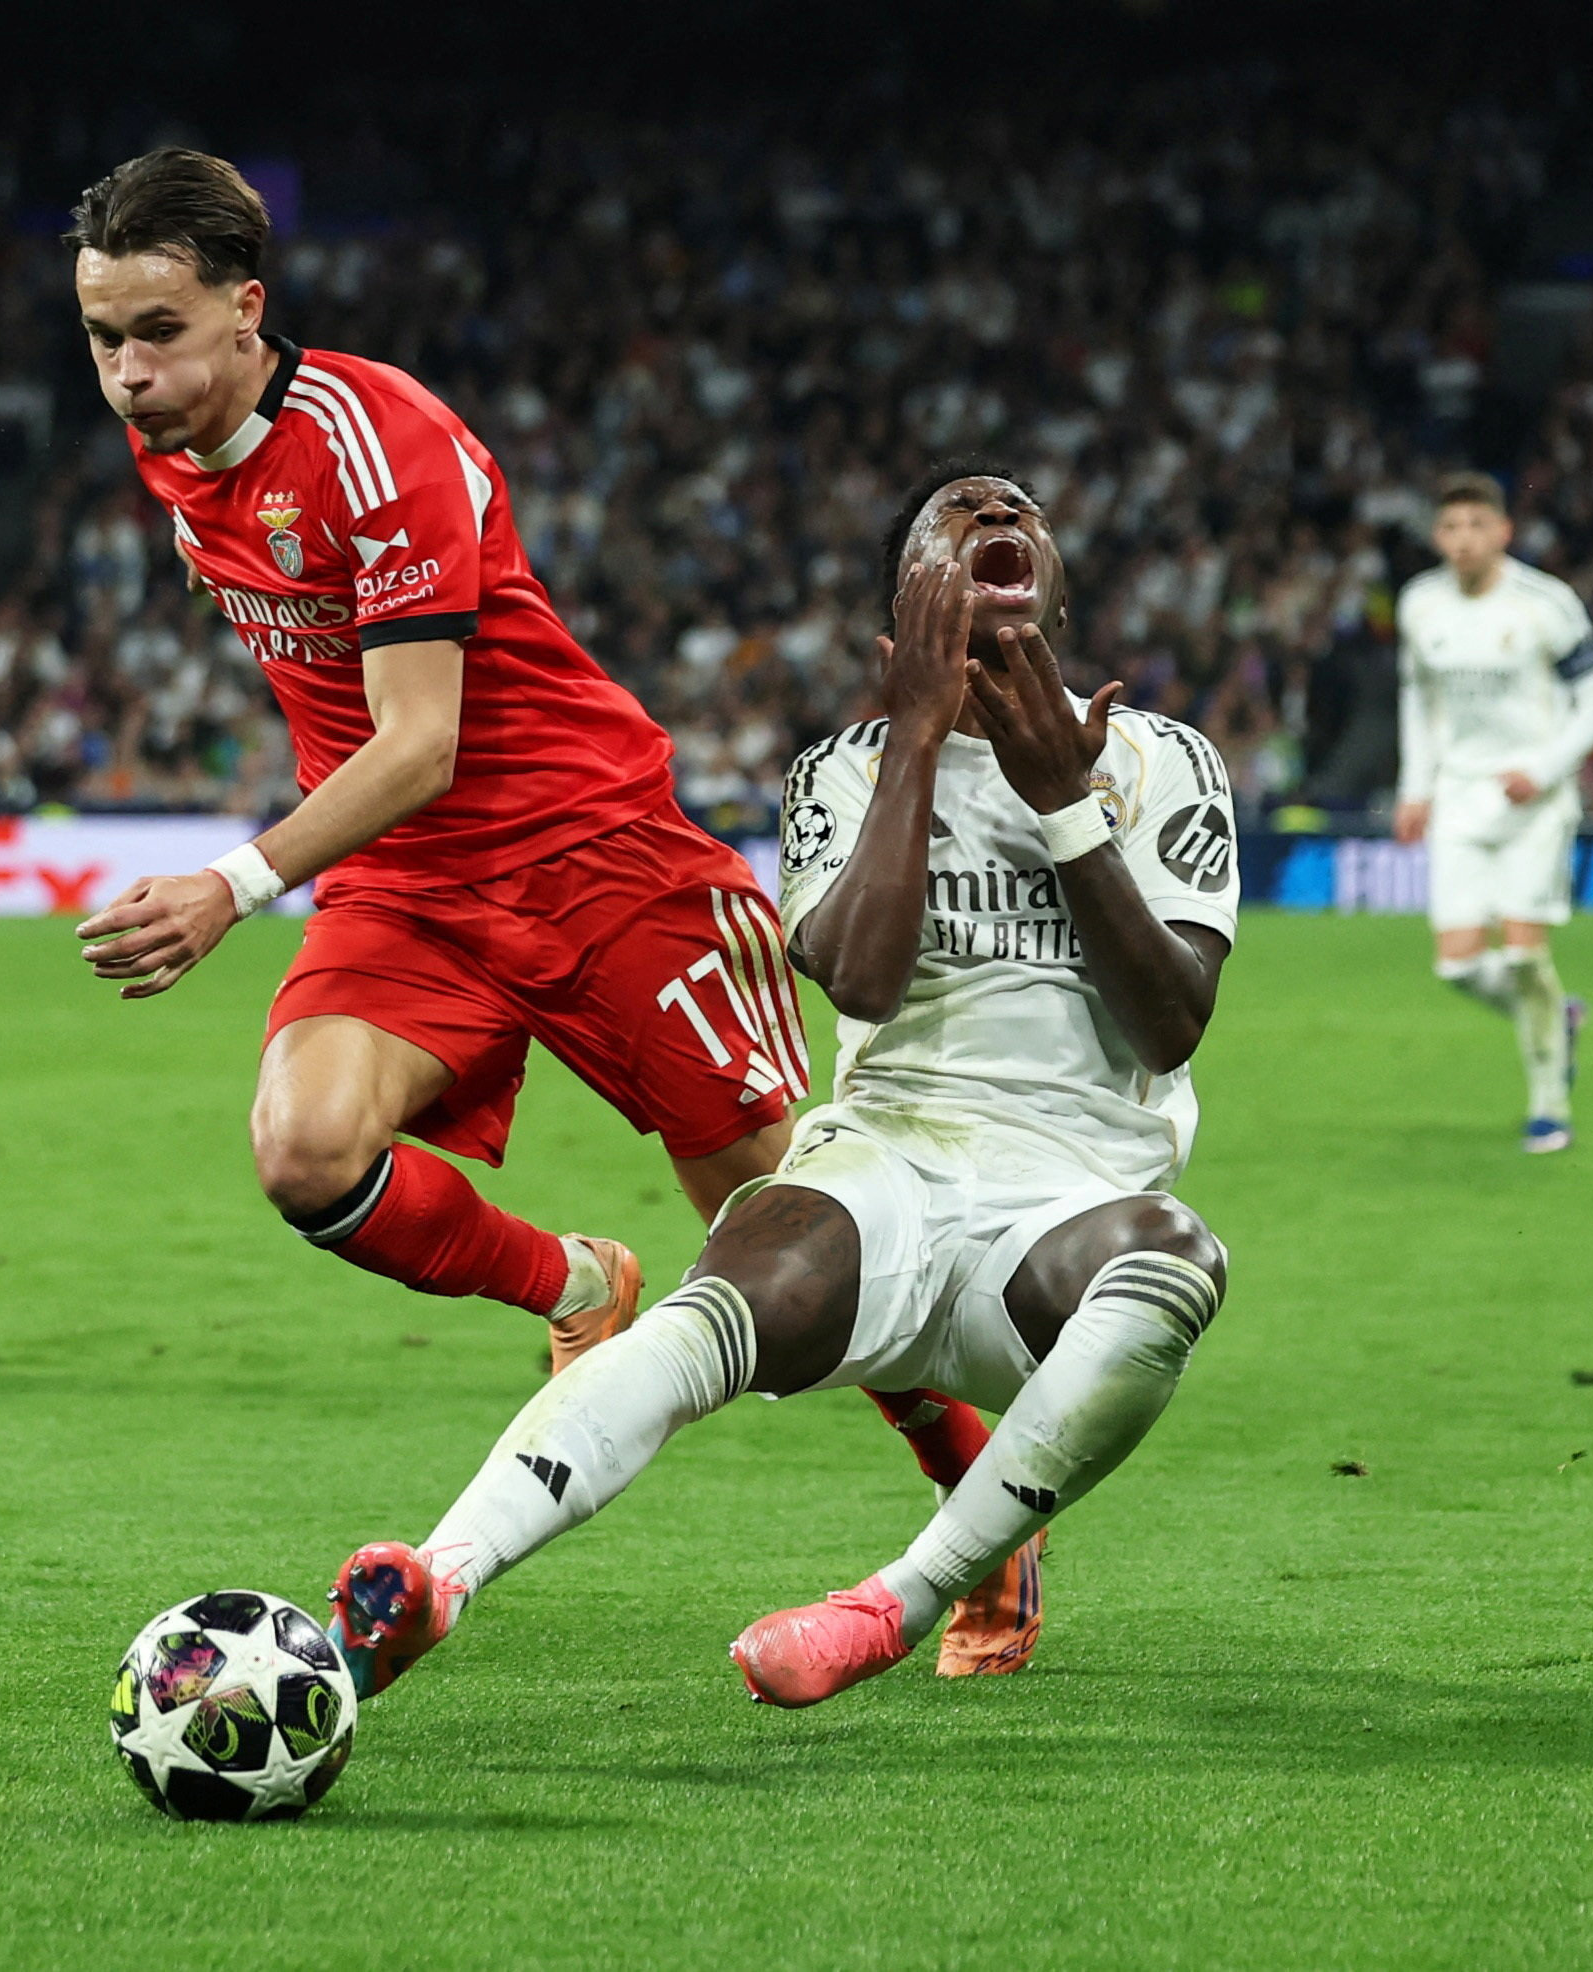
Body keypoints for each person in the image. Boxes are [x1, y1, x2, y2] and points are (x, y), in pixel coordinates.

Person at [64, 153, 1031, 1670]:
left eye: (162, 332)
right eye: (105, 337)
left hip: (601, 863)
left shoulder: (378, 446)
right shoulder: (177, 451)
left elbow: (422, 738)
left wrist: (234, 883)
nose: (130, 373)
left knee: (799, 1245)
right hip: (413, 885)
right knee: (306, 1152)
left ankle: (978, 1501)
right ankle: (577, 1282)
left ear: (249, 309)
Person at [322, 468, 1237, 1708]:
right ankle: (437, 1577)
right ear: (899, 627)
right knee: (720, 1292)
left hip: (1067, 1204)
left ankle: (896, 1602)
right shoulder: (843, 770)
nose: (992, 515)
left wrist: (1062, 805)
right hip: (882, 1169)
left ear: (1057, 591)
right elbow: (859, 979)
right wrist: (918, 737)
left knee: (1175, 1261)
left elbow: (1173, 1017)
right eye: (950, 522)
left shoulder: (1160, 760)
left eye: (1014, 510)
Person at [1390, 473, 1593, 1153]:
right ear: (1438, 537)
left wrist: (1545, 767)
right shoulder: (1419, 605)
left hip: (1536, 802)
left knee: (1523, 955)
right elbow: (1419, 704)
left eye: (1476, 526)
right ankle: (1560, 1016)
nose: (1463, 540)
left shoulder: (1546, 603)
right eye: (1451, 527)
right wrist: (1416, 789)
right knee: (1457, 967)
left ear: (1503, 532)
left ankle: (1549, 1105)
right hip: (1460, 797)